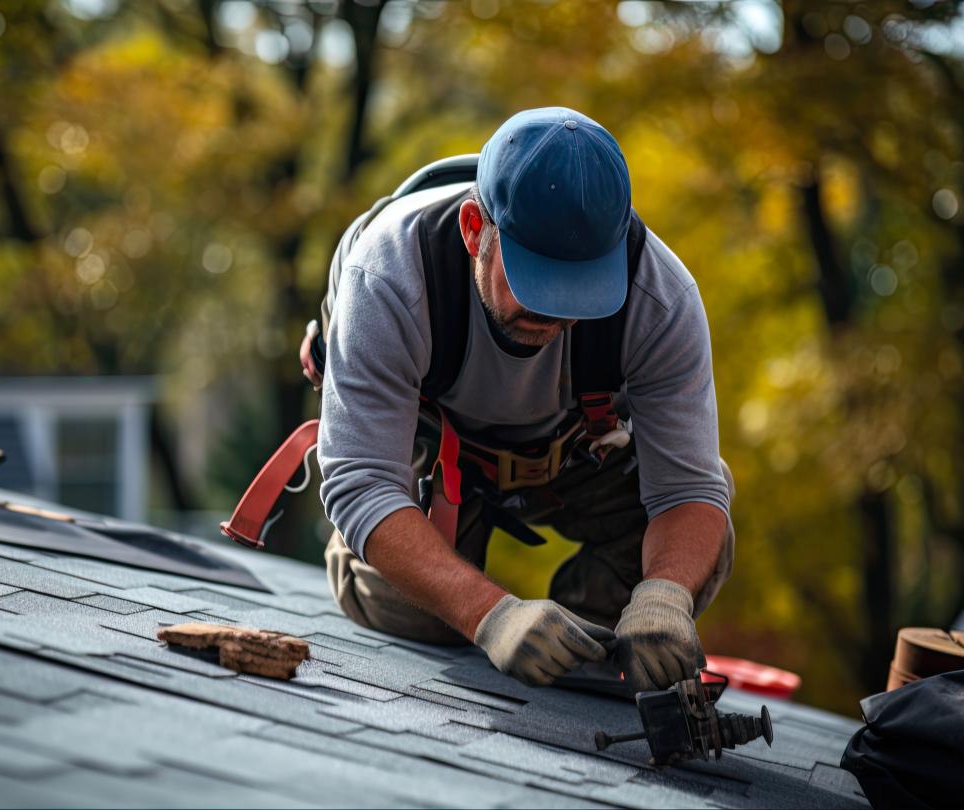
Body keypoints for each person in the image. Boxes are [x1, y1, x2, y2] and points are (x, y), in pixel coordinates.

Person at [306, 107, 734, 694]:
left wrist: (664, 594)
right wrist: (490, 614)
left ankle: (565, 636)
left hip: (571, 452)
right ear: (474, 230)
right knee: (417, 612)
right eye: (536, 278)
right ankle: (387, 565)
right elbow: (361, 481)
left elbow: (689, 490)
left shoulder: (659, 299)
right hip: (435, 444)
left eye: (581, 286)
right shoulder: (389, 275)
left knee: (698, 557)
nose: (556, 310)